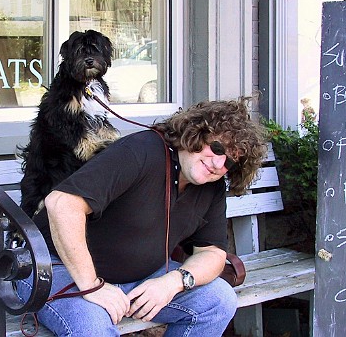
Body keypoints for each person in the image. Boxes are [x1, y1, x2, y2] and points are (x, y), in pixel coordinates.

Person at [17, 97, 267, 336]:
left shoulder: (211, 187)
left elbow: (212, 254)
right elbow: (61, 203)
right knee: (93, 326)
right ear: (197, 133)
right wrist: (92, 285)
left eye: (229, 163)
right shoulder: (142, 150)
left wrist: (175, 281)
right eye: (217, 147)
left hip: (139, 279)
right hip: (52, 267)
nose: (218, 163)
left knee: (219, 301)